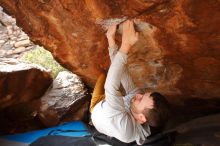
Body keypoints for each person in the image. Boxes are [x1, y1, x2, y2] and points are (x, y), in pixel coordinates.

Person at [90, 20, 170, 145]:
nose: (137, 95)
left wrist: (126, 44)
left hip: (96, 107)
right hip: (108, 102)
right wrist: (111, 40)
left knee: (103, 76)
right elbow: (123, 73)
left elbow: (110, 87)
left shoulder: (125, 129)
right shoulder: (138, 105)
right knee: (109, 74)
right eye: (143, 95)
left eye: (140, 99)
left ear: (141, 118)